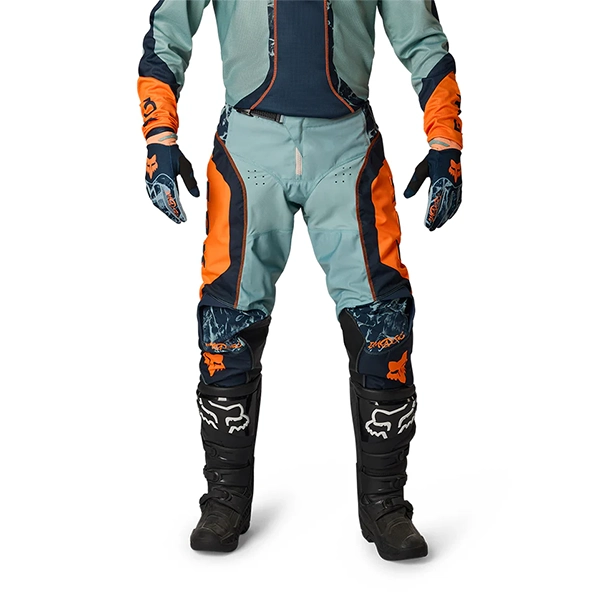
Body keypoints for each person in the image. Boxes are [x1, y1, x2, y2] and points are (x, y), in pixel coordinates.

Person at [137, 0, 462, 561]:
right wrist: (159, 137)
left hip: (348, 150)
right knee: (226, 322)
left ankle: (386, 504)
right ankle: (225, 499)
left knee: (383, 322)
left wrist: (445, 143)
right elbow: (167, 33)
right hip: (248, 150)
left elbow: (423, 39)